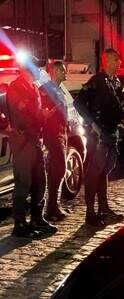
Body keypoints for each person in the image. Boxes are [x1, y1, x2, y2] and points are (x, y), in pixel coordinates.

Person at [74, 48, 124, 226]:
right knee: (94, 172)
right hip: (98, 133)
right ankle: (90, 213)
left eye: (118, 59)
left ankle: (103, 208)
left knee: (104, 171)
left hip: (112, 131)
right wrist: (93, 124)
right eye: (115, 59)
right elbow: (78, 102)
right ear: (106, 62)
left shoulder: (116, 81)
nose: (119, 62)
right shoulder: (97, 81)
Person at [7, 56, 57, 238]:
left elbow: (33, 112)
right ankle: (19, 225)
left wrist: (42, 116)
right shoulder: (16, 87)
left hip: (35, 140)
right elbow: (21, 115)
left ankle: (37, 218)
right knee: (24, 183)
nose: (39, 70)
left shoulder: (33, 87)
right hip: (23, 141)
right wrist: (40, 116)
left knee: (39, 181)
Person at [40, 61, 69, 222]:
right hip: (52, 134)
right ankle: (51, 208)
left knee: (59, 170)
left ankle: (54, 206)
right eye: (63, 71)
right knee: (57, 170)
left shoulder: (58, 89)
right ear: (55, 71)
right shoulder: (45, 89)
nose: (66, 73)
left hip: (61, 132)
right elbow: (42, 112)